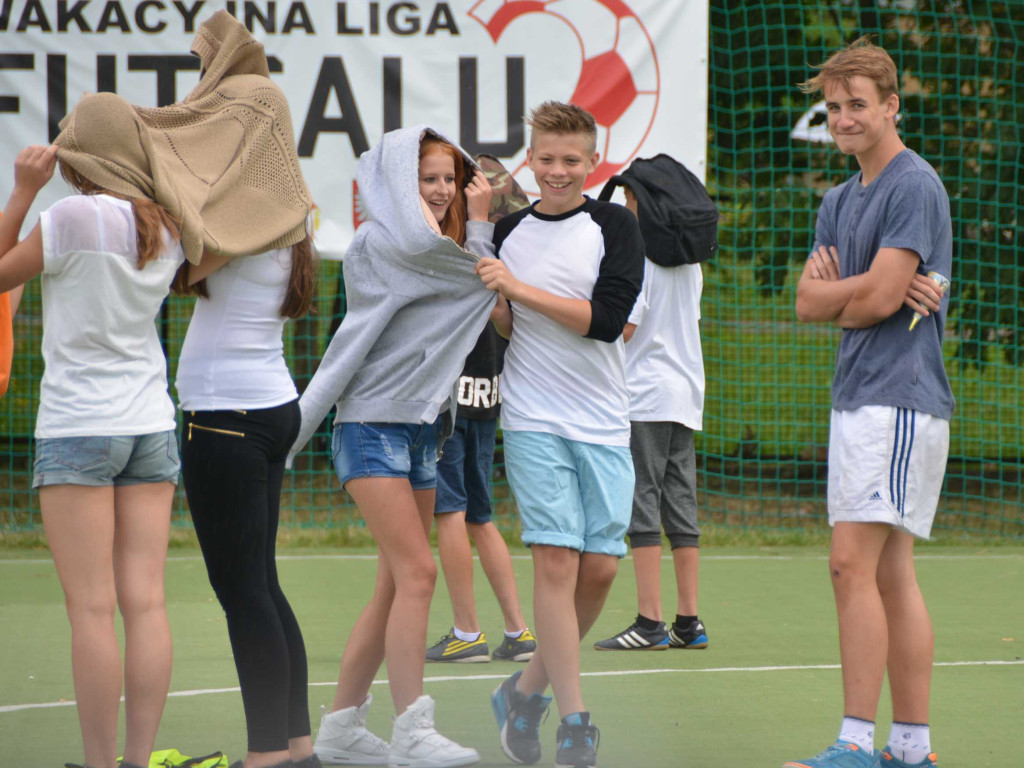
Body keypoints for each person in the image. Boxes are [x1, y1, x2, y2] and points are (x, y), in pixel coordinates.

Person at [292, 126, 496, 768]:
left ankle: (342, 727)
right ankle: (413, 730)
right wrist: (485, 227)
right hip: (370, 428)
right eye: (426, 178)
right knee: (418, 573)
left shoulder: (442, 245)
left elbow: (475, 281)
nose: (440, 191)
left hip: (421, 430)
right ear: (396, 185)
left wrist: (476, 229)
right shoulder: (384, 242)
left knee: (391, 587)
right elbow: (479, 279)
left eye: (448, 180)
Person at [786, 37, 953, 768]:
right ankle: (911, 751)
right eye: (835, 107)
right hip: (858, 398)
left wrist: (843, 296)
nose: (846, 118)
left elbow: (877, 300)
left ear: (891, 105)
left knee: (851, 566)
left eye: (860, 104)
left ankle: (857, 744)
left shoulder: (913, 184)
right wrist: (850, 298)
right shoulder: (836, 199)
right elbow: (806, 303)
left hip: (900, 401)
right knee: (886, 573)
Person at [0, 124, 184, 768]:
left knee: (91, 609)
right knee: (147, 601)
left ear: (79, 156)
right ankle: (137, 762)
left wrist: (23, 193)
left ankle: (101, 764)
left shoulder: (71, 214)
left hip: (78, 425)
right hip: (150, 424)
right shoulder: (166, 223)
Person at [476, 101, 645, 768]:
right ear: (531, 158)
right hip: (532, 418)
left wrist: (518, 289)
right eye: (546, 159)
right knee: (556, 561)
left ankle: (522, 691)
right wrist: (499, 304)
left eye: (571, 160)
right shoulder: (509, 231)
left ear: (591, 161)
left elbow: (605, 321)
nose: (557, 171)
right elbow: (509, 325)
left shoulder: (615, 226)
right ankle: (573, 718)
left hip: (603, 420)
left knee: (601, 568)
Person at [172, 12, 320, 768]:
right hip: (266, 407)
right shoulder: (286, 204)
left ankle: (267, 755)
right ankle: (297, 747)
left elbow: (171, 271)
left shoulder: (234, 210)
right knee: (262, 584)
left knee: (244, 595)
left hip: (225, 416)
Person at [592, 172, 710, 653]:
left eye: (628, 199)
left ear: (644, 204)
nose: (624, 207)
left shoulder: (640, 257)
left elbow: (626, 329)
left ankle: (649, 622)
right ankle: (688, 621)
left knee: (641, 503)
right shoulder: (690, 262)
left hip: (643, 395)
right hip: (685, 396)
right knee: (680, 506)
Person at [426, 322, 537, 664]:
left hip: (450, 400)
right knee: (479, 517)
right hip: (487, 396)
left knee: (450, 512)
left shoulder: (457, 266)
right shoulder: (507, 267)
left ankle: (467, 634)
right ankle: (518, 632)